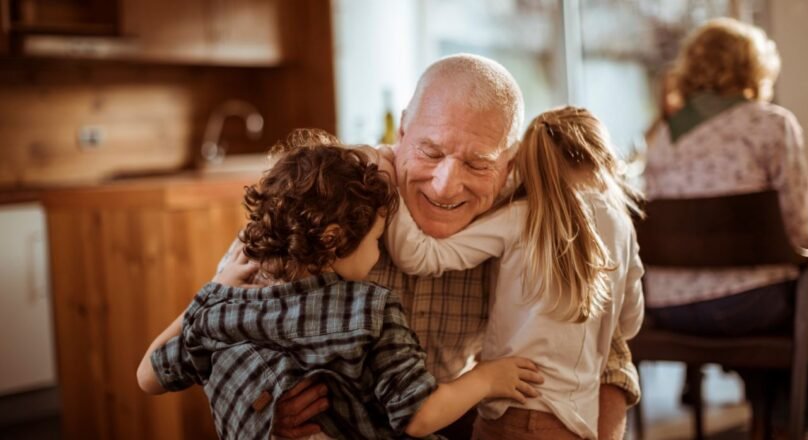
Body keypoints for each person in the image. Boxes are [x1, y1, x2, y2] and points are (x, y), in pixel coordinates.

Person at [219, 54, 641, 439]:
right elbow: (219, 331)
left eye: (478, 163)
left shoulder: (528, 217)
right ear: (402, 131)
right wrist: (264, 407)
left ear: (509, 166)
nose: (445, 186)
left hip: (449, 418)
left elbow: (609, 353)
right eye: (430, 151)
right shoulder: (330, 192)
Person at [136, 131, 545, 439]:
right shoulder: (370, 310)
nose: (378, 252)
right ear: (333, 239)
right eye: (375, 240)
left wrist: (214, 292)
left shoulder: (225, 305)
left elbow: (148, 377)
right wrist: (488, 378)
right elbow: (419, 415)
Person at [384, 106, 645, 439]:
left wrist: (388, 180)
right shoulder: (622, 226)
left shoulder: (521, 216)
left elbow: (418, 256)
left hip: (506, 407)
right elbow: (630, 324)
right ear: (602, 156)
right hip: (572, 419)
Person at [643, 18, 808, 437]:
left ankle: (765, 419)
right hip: (748, 307)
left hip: (668, 308)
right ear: (754, 69)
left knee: (785, 296)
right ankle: (788, 426)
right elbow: (799, 230)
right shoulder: (770, 123)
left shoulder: (662, 137)